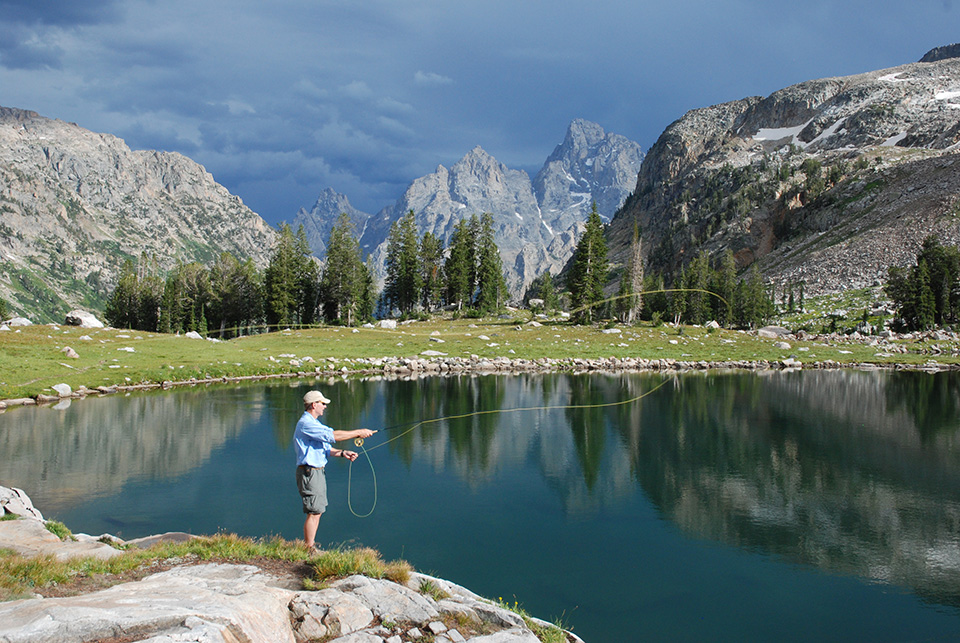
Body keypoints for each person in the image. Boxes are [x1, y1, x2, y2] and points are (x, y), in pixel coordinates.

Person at [294, 390, 376, 551]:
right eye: (322, 403)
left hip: (316, 472)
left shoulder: (315, 424)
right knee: (314, 511)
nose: (324, 406)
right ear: (313, 404)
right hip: (309, 472)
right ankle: (309, 549)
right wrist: (358, 432)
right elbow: (333, 435)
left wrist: (343, 453)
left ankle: (310, 547)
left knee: (317, 510)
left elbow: (326, 448)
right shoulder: (306, 424)